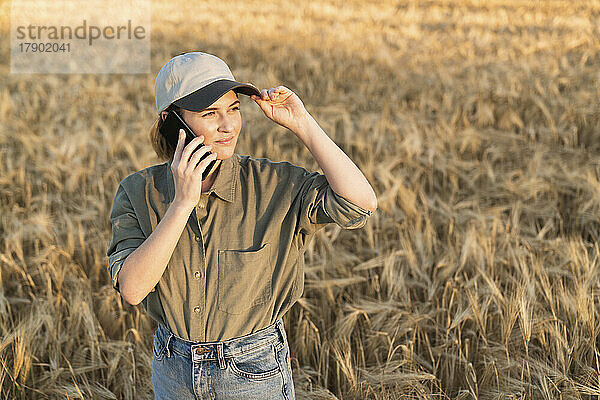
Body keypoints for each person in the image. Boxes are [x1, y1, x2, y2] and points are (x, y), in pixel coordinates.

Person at [106, 51, 377, 399]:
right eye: (210, 114)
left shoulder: (274, 184)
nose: (229, 125)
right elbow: (131, 289)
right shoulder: (138, 192)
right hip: (173, 371)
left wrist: (302, 123)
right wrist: (181, 205)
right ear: (172, 122)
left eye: (234, 108)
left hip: (253, 373)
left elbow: (360, 204)